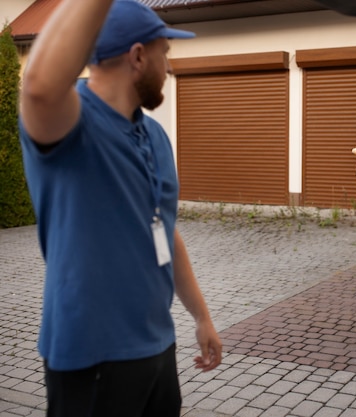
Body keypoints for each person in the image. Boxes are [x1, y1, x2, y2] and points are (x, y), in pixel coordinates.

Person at [18, 1, 222, 415]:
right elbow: (38, 86)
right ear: (138, 56)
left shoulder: (155, 135)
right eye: (164, 53)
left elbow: (164, 229)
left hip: (157, 346)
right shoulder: (71, 122)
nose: (167, 67)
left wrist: (201, 316)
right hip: (92, 356)